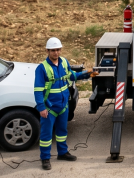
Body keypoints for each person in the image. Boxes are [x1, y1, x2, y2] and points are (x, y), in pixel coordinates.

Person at [34, 37, 95, 171]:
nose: (56, 53)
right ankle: (45, 158)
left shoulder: (63, 62)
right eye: (53, 50)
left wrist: (86, 74)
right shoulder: (42, 68)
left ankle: (62, 153)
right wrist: (41, 108)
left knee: (62, 132)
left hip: (63, 106)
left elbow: (71, 76)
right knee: (46, 135)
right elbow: (38, 90)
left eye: (58, 50)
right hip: (50, 108)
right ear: (47, 51)